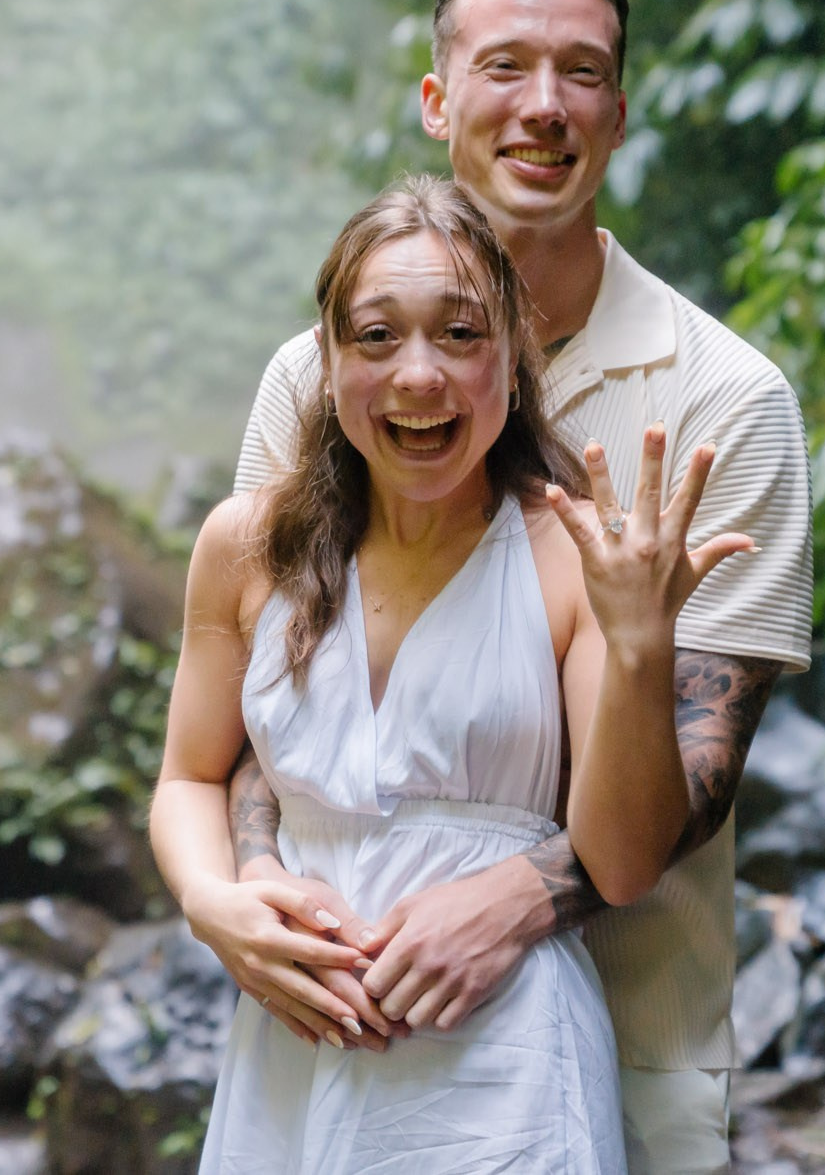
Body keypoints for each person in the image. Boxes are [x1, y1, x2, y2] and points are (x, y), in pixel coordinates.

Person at [221, 0, 814, 1172]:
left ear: (617, 109)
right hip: (333, 1019)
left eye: (581, 72)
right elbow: (268, 694)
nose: (543, 104)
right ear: (439, 100)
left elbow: (700, 760)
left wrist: (518, 899)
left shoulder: (723, 397)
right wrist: (250, 895)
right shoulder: (319, 377)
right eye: (505, 67)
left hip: (630, 1027)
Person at [150, 174, 753, 1173]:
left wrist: (640, 641)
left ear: (512, 366)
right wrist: (213, 903)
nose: (417, 374)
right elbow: (186, 776)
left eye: (460, 335)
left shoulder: (569, 556)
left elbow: (621, 859)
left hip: (505, 1068)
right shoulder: (246, 547)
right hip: (292, 1058)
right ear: (328, 362)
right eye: (376, 336)